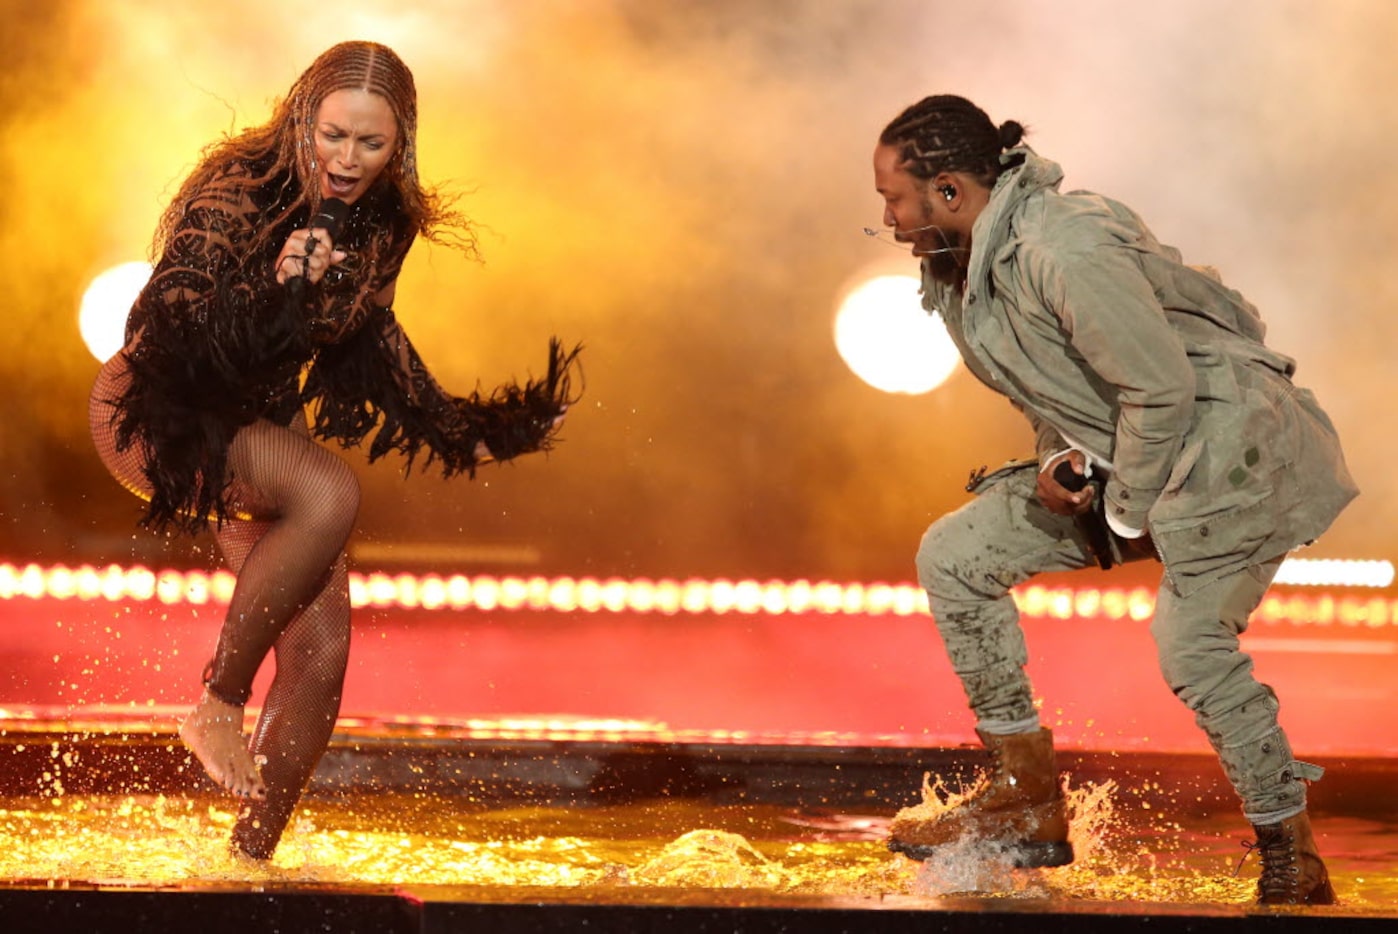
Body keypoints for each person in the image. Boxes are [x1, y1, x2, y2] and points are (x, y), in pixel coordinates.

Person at [88, 41, 579, 861]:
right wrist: (273, 290)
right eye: (332, 137)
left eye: (370, 145)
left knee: (321, 652)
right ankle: (217, 702)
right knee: (328, 491)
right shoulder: (241, 189)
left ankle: (248, 861)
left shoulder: (387, 223)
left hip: (257, 422)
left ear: (401, 146)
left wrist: (470, 428)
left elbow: (370, 339)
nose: (346, 162)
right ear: (302, 121)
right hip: (160, 408)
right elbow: (163, 330)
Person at [870, 95, 1356, 905]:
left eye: (893, 197)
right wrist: (1062, 461)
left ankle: (1291, 856)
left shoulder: (1064, 247)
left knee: (1190, 645)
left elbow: (1162, 389)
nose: (886, 218)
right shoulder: (962, 271)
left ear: (948, 191)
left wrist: (1121, 510)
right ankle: (1027, 797)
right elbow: (1050, 392)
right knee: (954, 556)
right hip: (1136, 458)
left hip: (1233, 458)